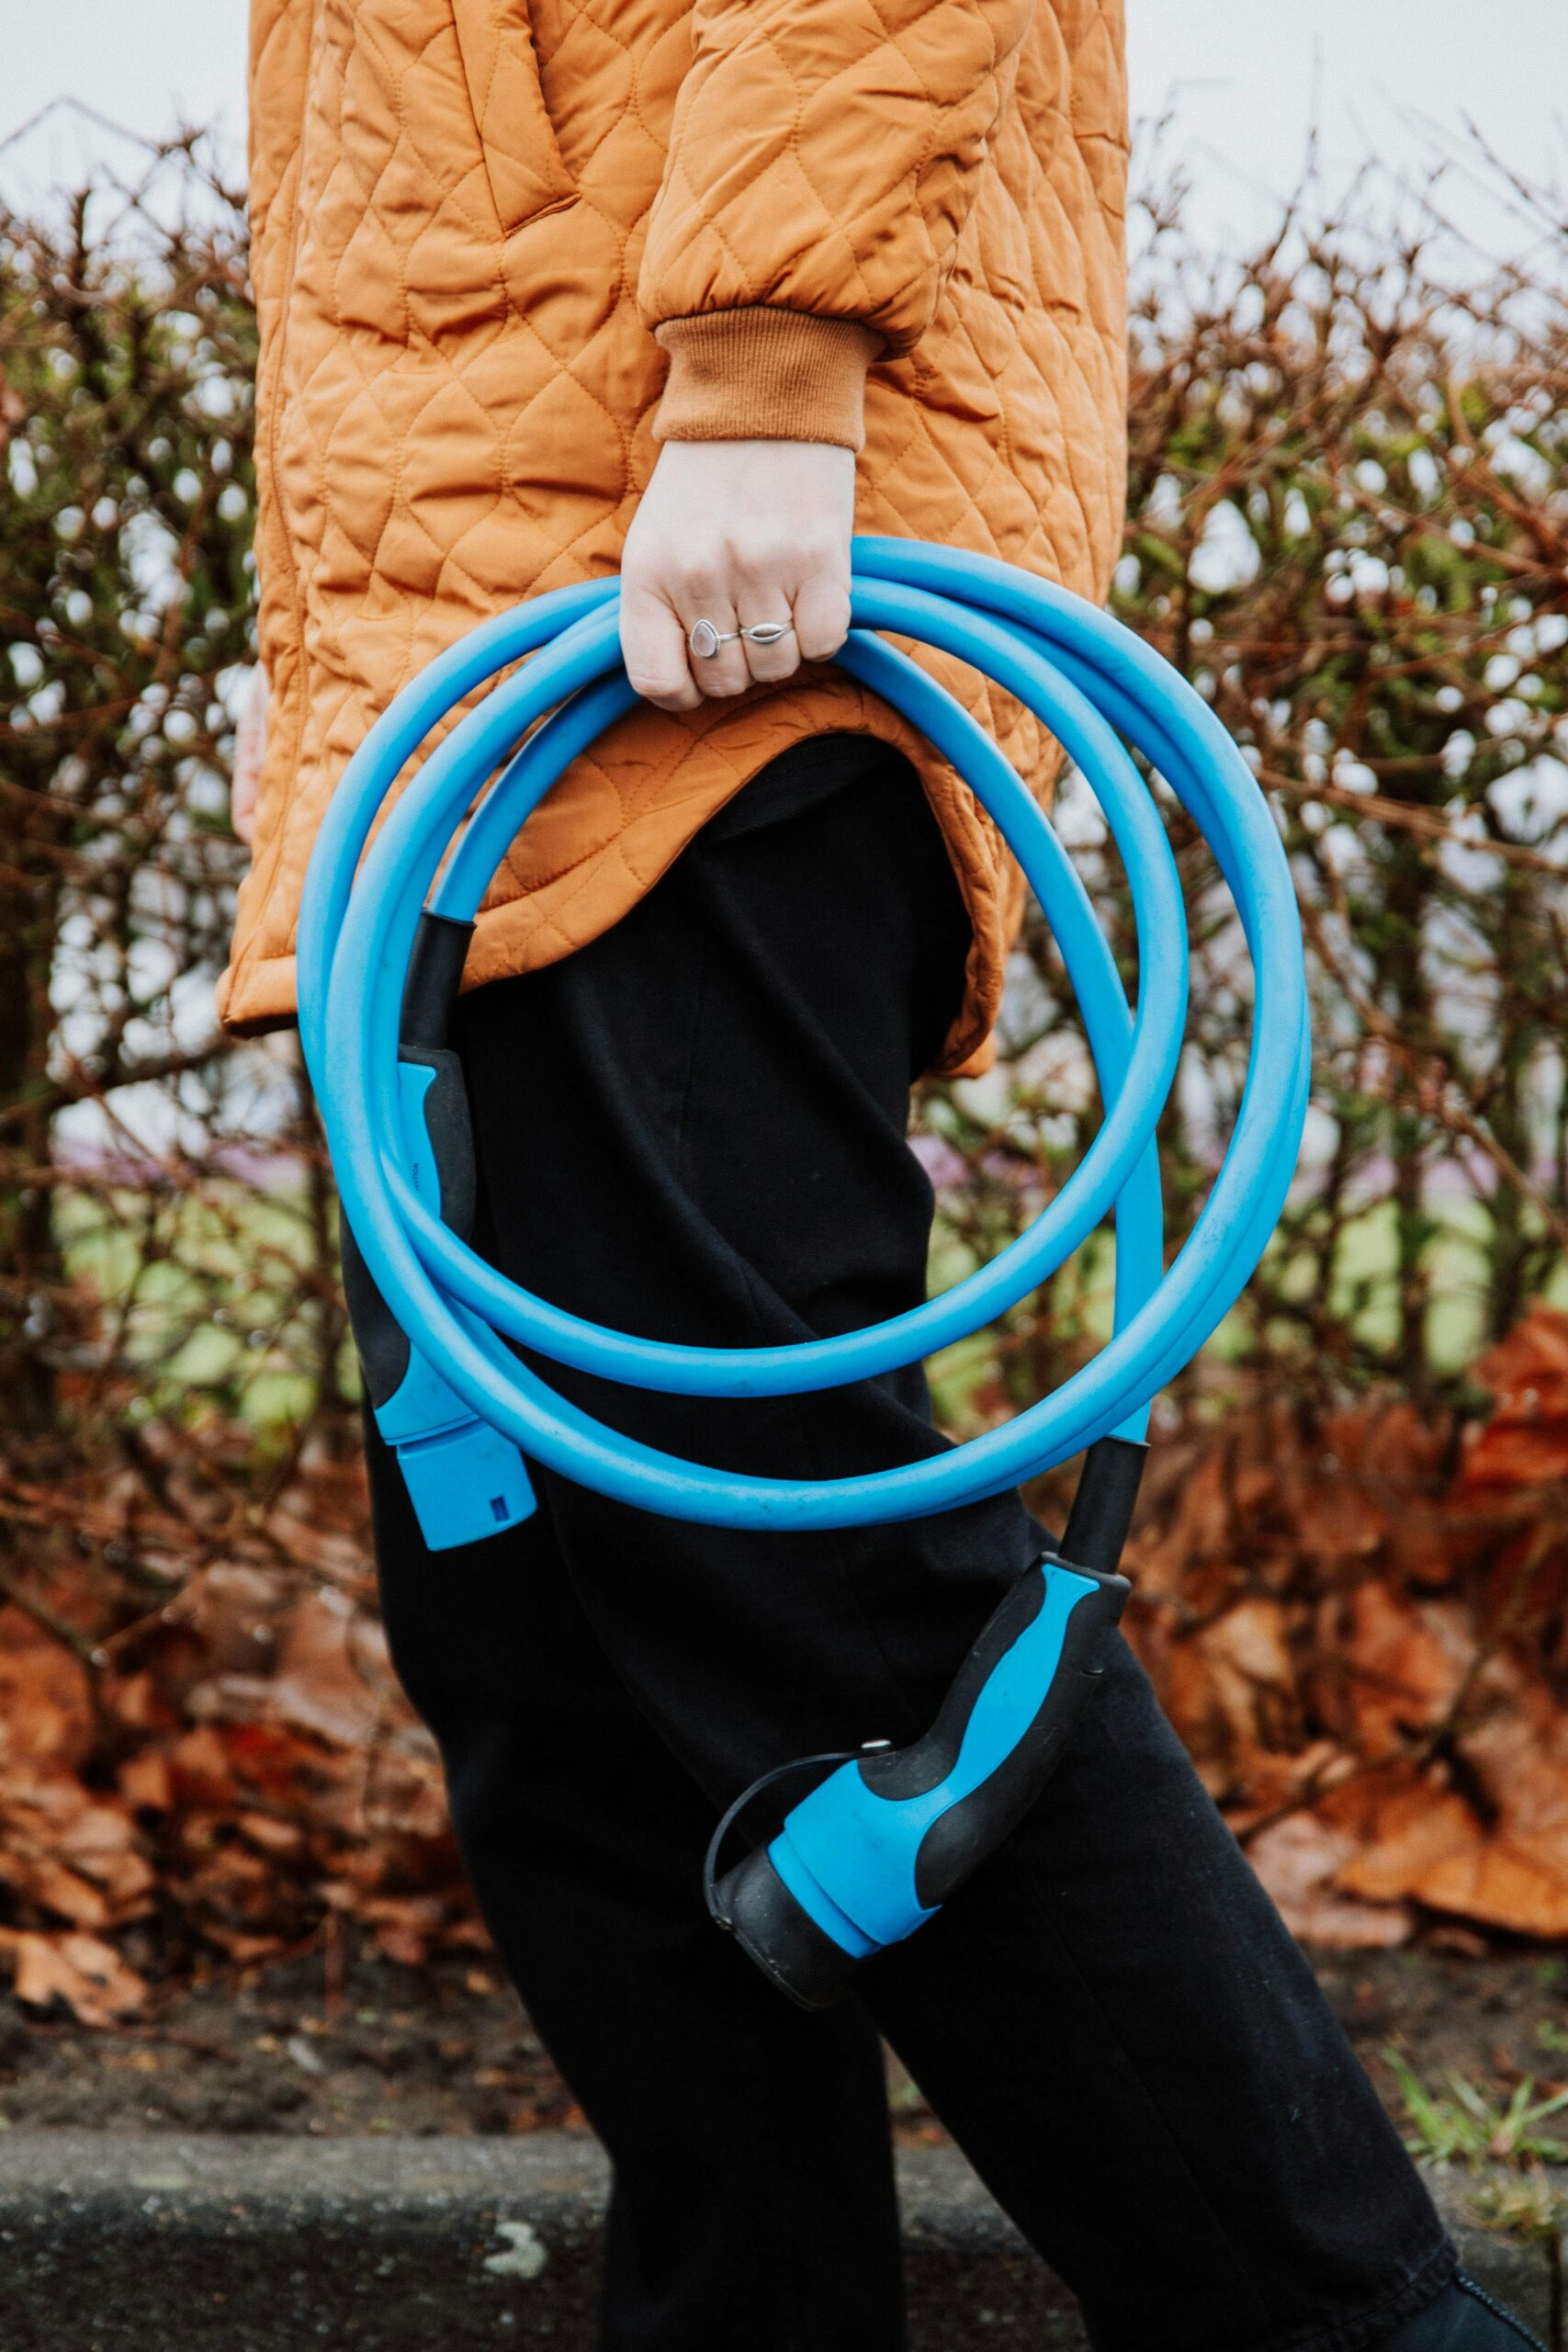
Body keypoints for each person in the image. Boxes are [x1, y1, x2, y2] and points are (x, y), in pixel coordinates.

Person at [226, 5, 1539, 2346]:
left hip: (678, 579)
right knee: (534, 1625)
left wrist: (765, 372)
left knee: (782, 1555)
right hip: (463, 620)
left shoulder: (741, 424)